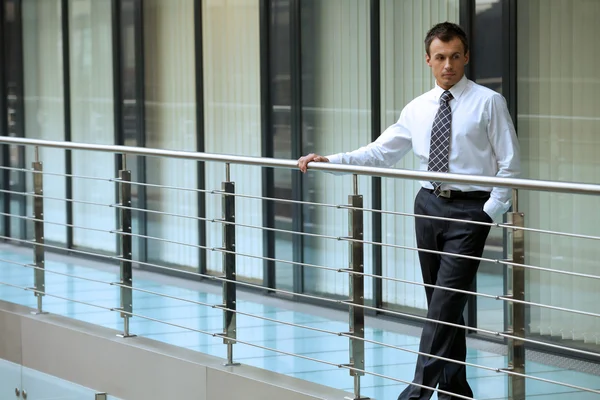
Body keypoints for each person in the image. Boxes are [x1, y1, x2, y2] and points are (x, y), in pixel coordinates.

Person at [297, 22, 520, 399]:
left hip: (469, 213)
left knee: (444, 304)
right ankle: (454, 391)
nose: (447, 64)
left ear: (465, 57)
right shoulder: (417, 108)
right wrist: (330, 160)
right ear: (428, 60)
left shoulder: (488, 102)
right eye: (439, 57)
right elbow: (381, 151)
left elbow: (510, 165)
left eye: (454, 56)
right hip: (428, 207)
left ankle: (415, 395)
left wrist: (489, 212)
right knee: (442, 305)